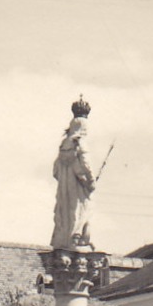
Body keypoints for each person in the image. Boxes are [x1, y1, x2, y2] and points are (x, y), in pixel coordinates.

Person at [51, 99, 95, 249]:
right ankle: (78, 237)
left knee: (66, 212)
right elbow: (86, 164)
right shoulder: (80, 142)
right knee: (83, 209)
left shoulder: (64, 145)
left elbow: (55, 171)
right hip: (79, 189)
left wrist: (66, 176)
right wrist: (90, 181)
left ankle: (66, 237)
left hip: (64, 190)